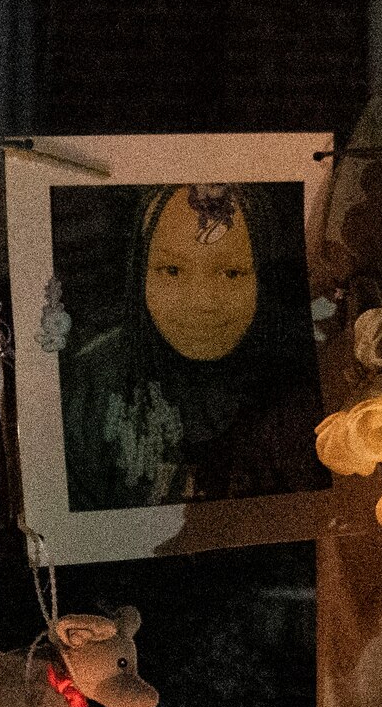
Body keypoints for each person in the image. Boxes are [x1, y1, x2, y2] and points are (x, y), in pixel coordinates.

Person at [53, 181, 318, 510]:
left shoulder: (308, 383)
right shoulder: (88, 390)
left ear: (263, 278)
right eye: (172, 270)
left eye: (232, 273)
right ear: (140, 274)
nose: (201, 302)